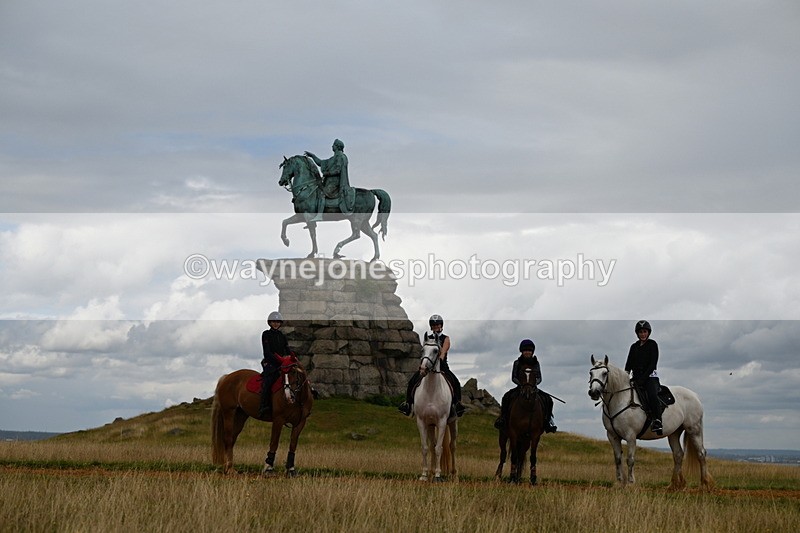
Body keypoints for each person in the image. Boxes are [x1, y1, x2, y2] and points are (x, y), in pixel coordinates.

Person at [398, 314, 466, 418]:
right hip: (428, 365)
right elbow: (425, 352)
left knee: (455, 381)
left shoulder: (446, 338)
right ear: (431, 327)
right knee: (412, 381)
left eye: (437, 325)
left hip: (441, 365)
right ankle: (408, 404)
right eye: (434, 325)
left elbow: (443, 351)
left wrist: (440, 358)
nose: (436, 327)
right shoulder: (428, 338)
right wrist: (423, 363)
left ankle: (457, 405)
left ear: (441, 325)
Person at [493, 339, 557, 433]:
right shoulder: (517, 363)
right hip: (520, 387)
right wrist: (522, 385)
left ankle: (547, 422)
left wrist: (533, 384)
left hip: (533, 387)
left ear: (532, 352)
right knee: (506, 397)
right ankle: (503, 419)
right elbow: (514, 377)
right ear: (522, 351)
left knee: (548, 400)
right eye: (525, 350)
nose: (527, 352)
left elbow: (539, 377)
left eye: (529, 351)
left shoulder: (536, 363)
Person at [624, 320, 662, 433]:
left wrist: (643, 379)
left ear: (648, 332)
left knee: (652, 395)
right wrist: (625, 376)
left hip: (650, 377)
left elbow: (652, 364)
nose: (643, 334)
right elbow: (628, 364)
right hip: (636, 379)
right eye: (640, 332)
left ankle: (657, 420)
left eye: (645, 332)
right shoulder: (634, 347)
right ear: (637, 333)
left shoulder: (652, 344)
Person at [304, 139, 355, 221]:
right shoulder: (333, 158)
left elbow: (338, 170)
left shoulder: (341, 157)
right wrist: (313, 156)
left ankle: (319, 215)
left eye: (333, 145)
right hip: (330, 182)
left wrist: (327, 173)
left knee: (321, 193)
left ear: (337, 147)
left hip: (335, 183)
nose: (332, 146)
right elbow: (321, 163)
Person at [259, 311, 291, 417]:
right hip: (270, 363)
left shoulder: (282, 336)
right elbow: (267, 352)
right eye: (273, 322)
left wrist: (293, 358)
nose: (276, 324)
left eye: (278, 322)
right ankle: (263, 406)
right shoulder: (266, 334)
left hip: (282, 363)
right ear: (270, 323)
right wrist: (279, 360)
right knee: (269, 381)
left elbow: (287, 349)